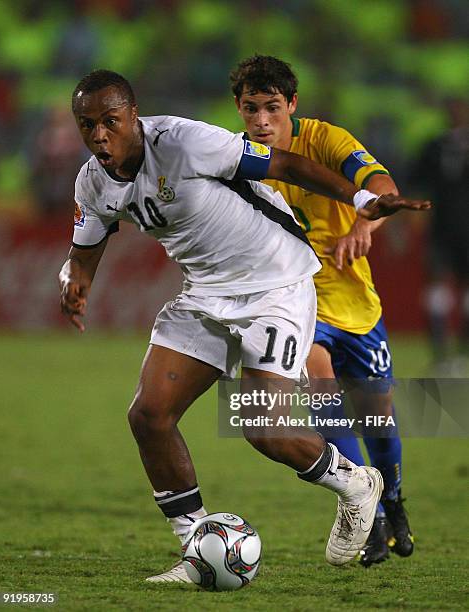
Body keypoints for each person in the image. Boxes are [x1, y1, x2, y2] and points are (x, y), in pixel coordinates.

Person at [59, 69, 428, 582]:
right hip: (205, 294)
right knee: (148, 415)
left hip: (276, 282)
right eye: (87, 124)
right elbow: (87, 243)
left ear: (133, 116)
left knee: (263, 428)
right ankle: (195, 547)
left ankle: (357, 484)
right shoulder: (93, 180)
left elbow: (283, 163)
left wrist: (362, 202)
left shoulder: (186, 143)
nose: (99, 134)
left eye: (110, 121)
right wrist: (76, 281)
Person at [231, 55, 415, 567]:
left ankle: (394, 502)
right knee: (321, 388)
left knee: (379, 421)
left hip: (356, 303)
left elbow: (383, 188)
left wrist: (364, 224)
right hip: (296, 304)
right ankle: (369, 512)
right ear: (239, 109)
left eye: (271, 107)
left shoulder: (328, 141)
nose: (261, 120)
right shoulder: (234, 159)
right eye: (251, 109)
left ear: (291, 104)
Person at [412, 97, 469, 369]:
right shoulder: (434, 147)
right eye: (452, 108)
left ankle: (463, 347)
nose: (455, 112)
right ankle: (439, 347)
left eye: (460, 108)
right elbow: (416, 182)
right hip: (441, 226)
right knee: (436, 282)